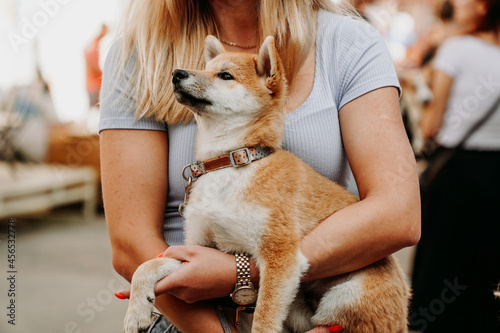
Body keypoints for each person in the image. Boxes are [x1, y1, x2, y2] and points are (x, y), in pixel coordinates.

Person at [99, 1, 420, 332]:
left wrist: (239, 272)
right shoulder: (138, 52)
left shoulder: (349, 42)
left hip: (320, 311)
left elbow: (398, 215)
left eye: (223, 76)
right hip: (189, 319)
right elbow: (129, 242)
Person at [411, 0, 500, 331]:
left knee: (443, 260)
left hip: (457, 173)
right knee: (486, 261)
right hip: (495, 172)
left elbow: (432, 125)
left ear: (484, 8)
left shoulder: (457, 49)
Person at [84, 24, 108, 108]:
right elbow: (94, 66)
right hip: (93, 85)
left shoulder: (92, 44)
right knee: (96, 110)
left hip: (91, 84)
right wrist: (106, 76)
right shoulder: (94, 46)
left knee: (95, 110)